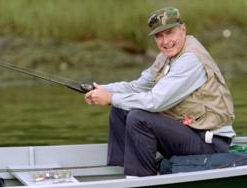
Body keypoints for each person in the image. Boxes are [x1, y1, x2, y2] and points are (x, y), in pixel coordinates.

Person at [84, 7, 235, 177]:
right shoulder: (166, 57)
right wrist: (103, 89)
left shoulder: (190, 59)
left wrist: (111, 98)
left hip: (210, 143)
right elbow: (137, 86)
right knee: (120, 109)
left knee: (138, 118)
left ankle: (142, 182)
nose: (165, 41)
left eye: (169, 32)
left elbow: (156, 102)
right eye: (159, 36)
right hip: (188, 132)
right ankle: (125, 173)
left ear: (182, 30)